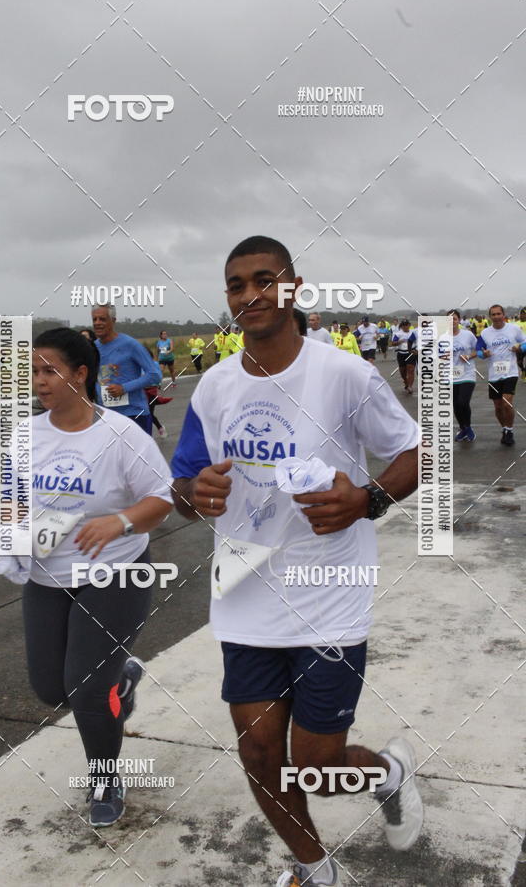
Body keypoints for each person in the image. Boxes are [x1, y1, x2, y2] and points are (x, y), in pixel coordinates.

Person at [171, 235, 422, 887]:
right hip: (245, 595)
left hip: (328, 593)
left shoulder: (343, 374)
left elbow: (418, 453)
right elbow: (183, 490)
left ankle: (387, 773)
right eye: (236, 285)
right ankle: (315, 869)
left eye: (264, 279)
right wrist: (193, 495)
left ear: (293, 288)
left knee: (318, 767)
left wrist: (367, 499)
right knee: (259, 754)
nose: (249, 294)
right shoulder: (214, 387)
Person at [24, 328, 173, 827]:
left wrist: (121, 521)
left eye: (50, 371)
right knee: (52, 689)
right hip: (47, 575)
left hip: (116, 572)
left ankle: (105, 777)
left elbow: (162, 498)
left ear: (81, 374)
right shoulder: (26, 436)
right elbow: (13, 504)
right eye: (35, 371)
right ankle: (122, 681)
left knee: (86, 688)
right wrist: (8, 540)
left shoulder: (120, 435)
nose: (40, 381)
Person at [92, 304, 160, 435]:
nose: (97, 323)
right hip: (106, 416)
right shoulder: (93, 347)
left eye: (102, 319)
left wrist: (124, 388)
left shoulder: (130, 345)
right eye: (94, 319)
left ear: (113, 320)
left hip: (134, 414)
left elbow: (154, 374)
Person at [476, 304, 525, 446]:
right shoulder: (485, 333)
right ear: (490, 317)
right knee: (498, 407)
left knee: (506, 402)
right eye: (493, 314)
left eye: (499, 314)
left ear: (503, 315)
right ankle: (504, 428)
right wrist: (483, 354)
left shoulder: (514, 329)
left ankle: (509, 430)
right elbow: (478, 350)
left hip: (511, 372)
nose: (496, 316)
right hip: (494, 374)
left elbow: (525, 343)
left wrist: (519, 348)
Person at [448, 309, 477, 442]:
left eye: (454, 318)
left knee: (463, 402)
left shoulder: (468, 335)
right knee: (455, 405)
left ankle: (468, 427)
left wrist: (469, 356)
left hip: (467, 374)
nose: (452, 321)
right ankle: (463, 428)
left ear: (459, 320)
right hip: (450, 375)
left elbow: (478, 350)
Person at [144, 347, 172, 438]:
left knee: (149, 413)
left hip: (151, 391)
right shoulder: (139, 365)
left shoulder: (154, 364)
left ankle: (160, 428)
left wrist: (158, 383)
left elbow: (159, 376)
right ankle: (147, 433)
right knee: (143, 413)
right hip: (141, 392)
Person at [392, 320, 417, 394]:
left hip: (411, 353)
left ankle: (410, 386)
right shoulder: (398, 334)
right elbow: (393, 343)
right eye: (404, 325)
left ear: (409, 325)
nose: (405, 326)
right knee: (402, 371)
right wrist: (399, 341)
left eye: (407, 325)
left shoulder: (413, 332)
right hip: (401, 354)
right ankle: (406, 381)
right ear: (401, 326)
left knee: (411, 369)